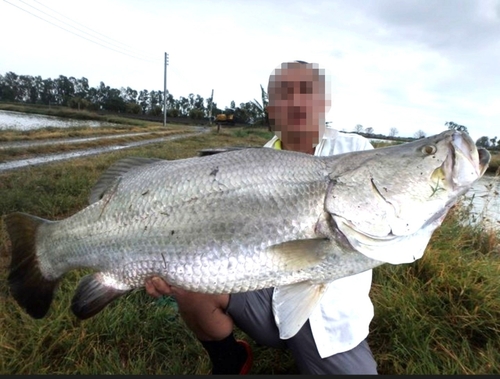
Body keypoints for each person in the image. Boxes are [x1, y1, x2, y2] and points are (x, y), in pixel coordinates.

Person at [145, 61, 378, 375]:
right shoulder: (252, 165)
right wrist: (162, 263)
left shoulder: (357, 153)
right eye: (284, 94)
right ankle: (230, 360)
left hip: (331, 319)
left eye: (306, 91)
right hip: (267, 293)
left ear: (324, 102)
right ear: (272, 109)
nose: (296, 102)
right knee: (187, 285)